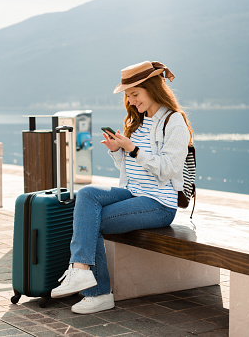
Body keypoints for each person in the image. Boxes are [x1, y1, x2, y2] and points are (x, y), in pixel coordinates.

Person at [51, 61, 194, 314]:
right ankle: (82, 272)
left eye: (135, 94)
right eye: (128, 96)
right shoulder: (137, 121)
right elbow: (130, 170)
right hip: (133, 192)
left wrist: (133, 149)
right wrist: (119, 151)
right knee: (86, 194)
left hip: (159, 203)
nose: (131, 101)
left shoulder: (174, 122)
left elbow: (169, 169)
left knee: (92, 220)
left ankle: (98, 292)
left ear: (152, 88)